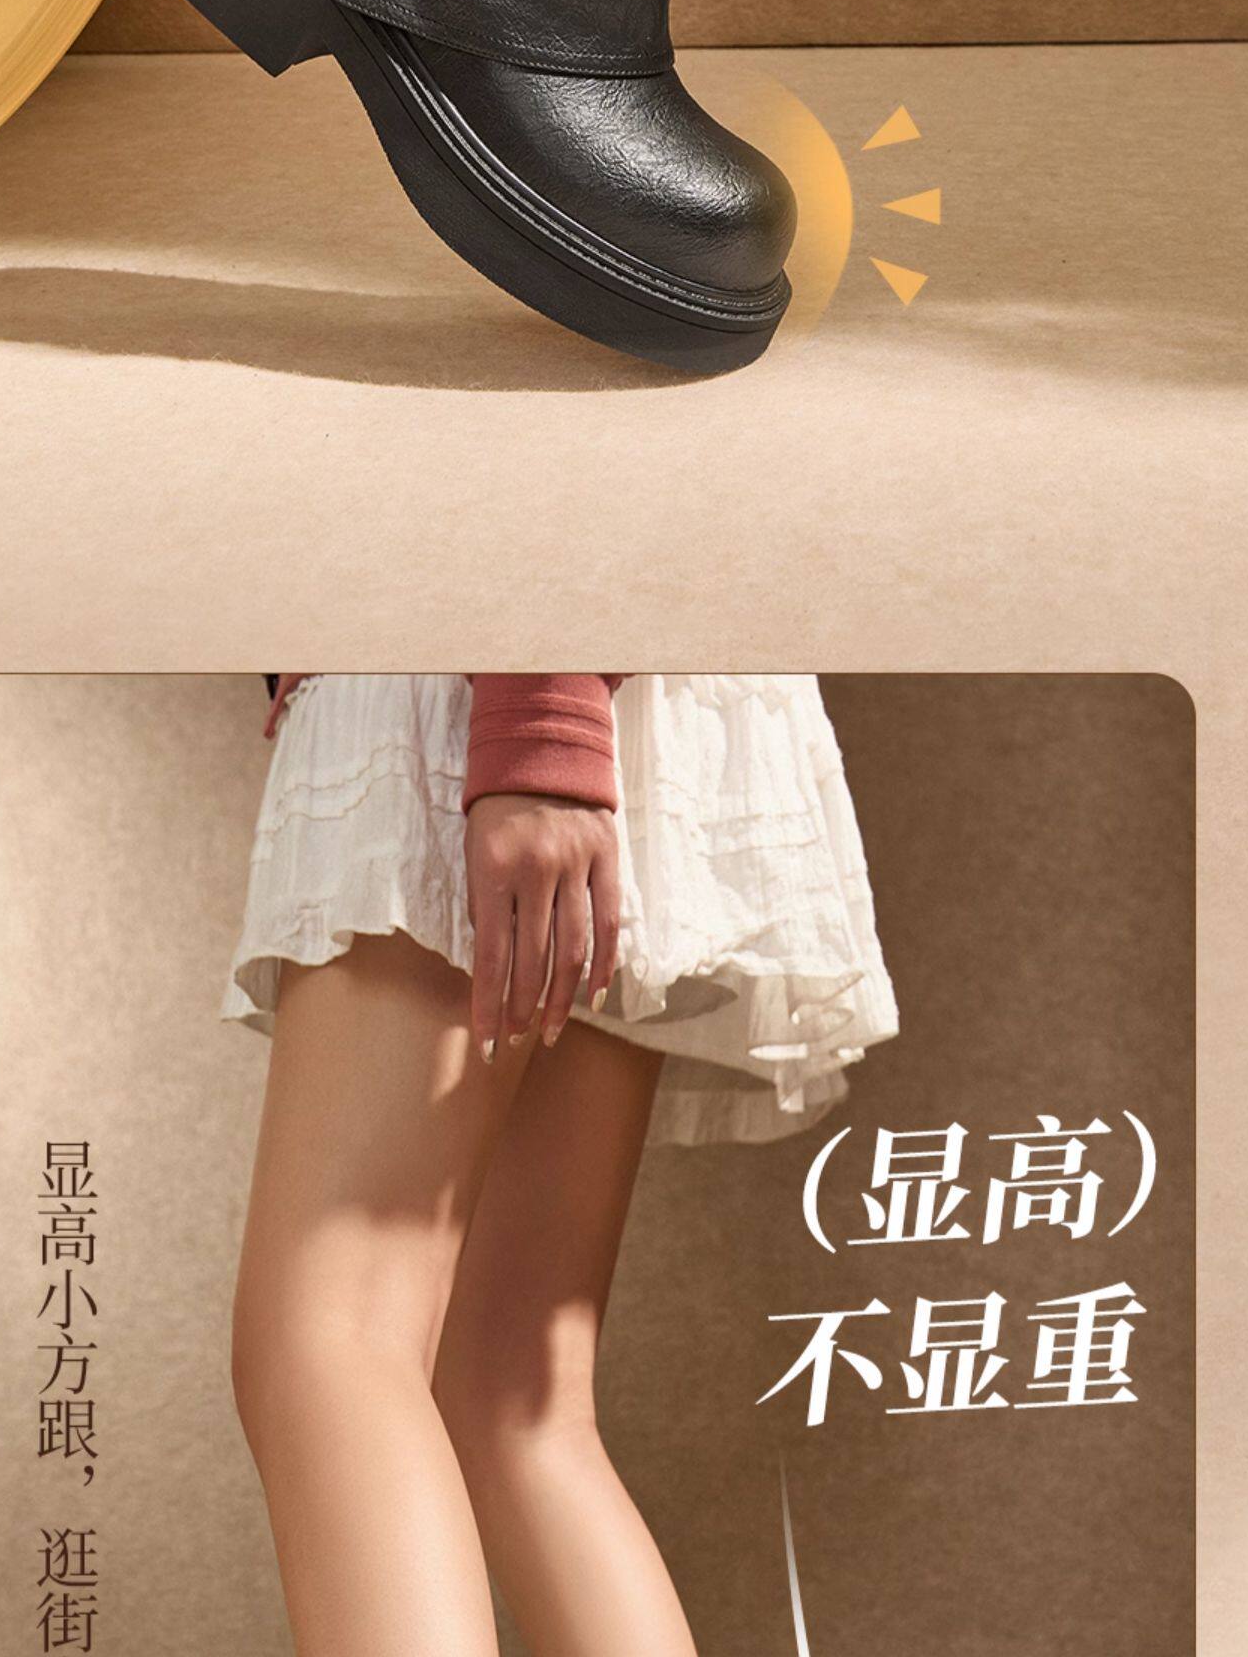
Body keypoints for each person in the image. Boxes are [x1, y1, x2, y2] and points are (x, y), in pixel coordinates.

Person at [222, 672, 897, 1657]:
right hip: (562, 707)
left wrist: (544, 722)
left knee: (333, 1342)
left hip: (479, 694)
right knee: (516, 1404)